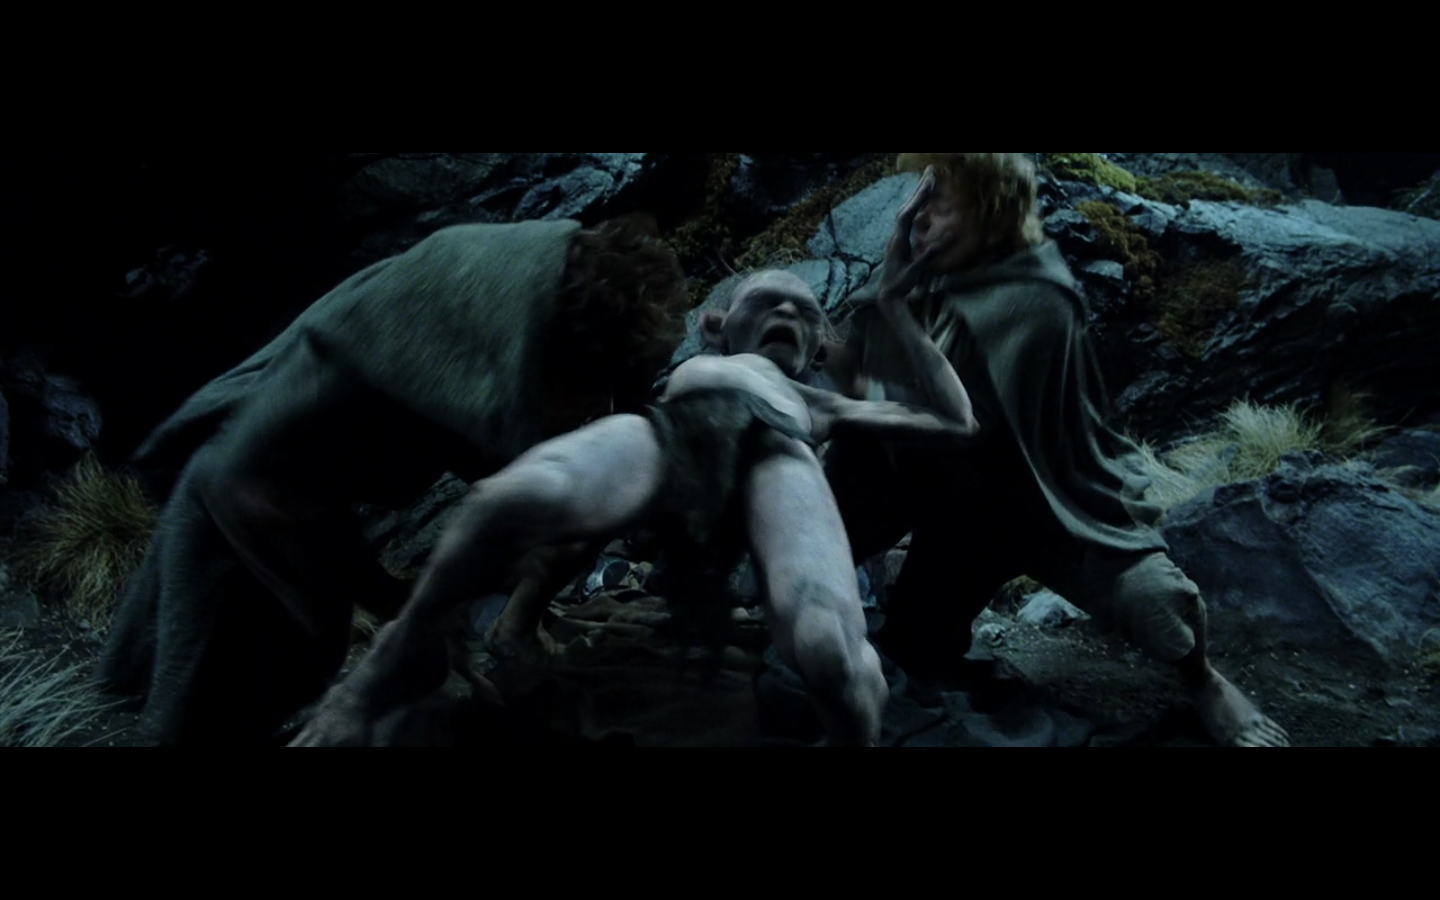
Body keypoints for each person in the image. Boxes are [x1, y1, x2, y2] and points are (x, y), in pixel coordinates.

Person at [290, 263, 980, 748]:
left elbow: (955, 422)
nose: (788, 312)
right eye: (769, 299)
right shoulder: (704, 367)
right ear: (715, 327)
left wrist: (896, 305)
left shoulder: (817, 402)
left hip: (779, 454)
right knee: (507, 500)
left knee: (833, 655)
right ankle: (381, 675)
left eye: (804, 311)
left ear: (817, 350)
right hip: (677, 430)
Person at [94, 214, 692, 746]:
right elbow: (255, 489)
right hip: (240, 504)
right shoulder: (416, 346)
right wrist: (382, 619)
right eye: (594, 388)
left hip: (290, 492)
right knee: (219, 693)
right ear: (556, 355)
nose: (601, 410)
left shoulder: (503, 312)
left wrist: (417, 613)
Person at [822, 154, 1291, 748]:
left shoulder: (1039, 297)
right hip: (956, 503)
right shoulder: (919, 280)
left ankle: (1205, 680)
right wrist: (797, 335)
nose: (919, 215)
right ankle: (811, 595)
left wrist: (892, 314)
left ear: (991, 210)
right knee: (915, 644)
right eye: (920, 197)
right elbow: (859, 378)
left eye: (940, 200)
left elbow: (965, 424)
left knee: (1153, 601)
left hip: (1051, 506)